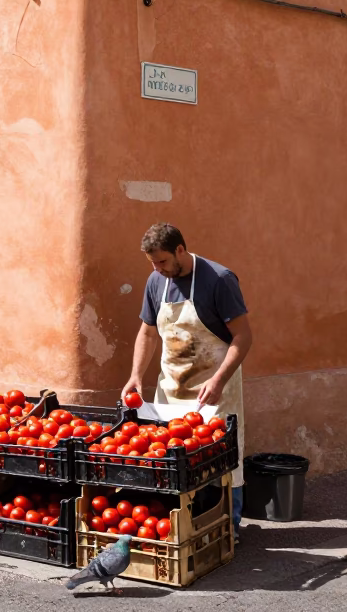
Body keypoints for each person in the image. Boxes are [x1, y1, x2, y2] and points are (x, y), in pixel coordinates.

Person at [121, 223, 252, 542]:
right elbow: (148, 332)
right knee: (172, 459)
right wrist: (136, 375)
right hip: (171, 388)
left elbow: (243, 336)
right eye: (152, 263)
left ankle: (227, 526)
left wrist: (220, 379)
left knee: (219, 460)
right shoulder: (156, 282)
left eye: (162, 261)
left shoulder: (219, 280)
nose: (157, 268)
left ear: (181, 249)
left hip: (215, 389)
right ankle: (179, 526)